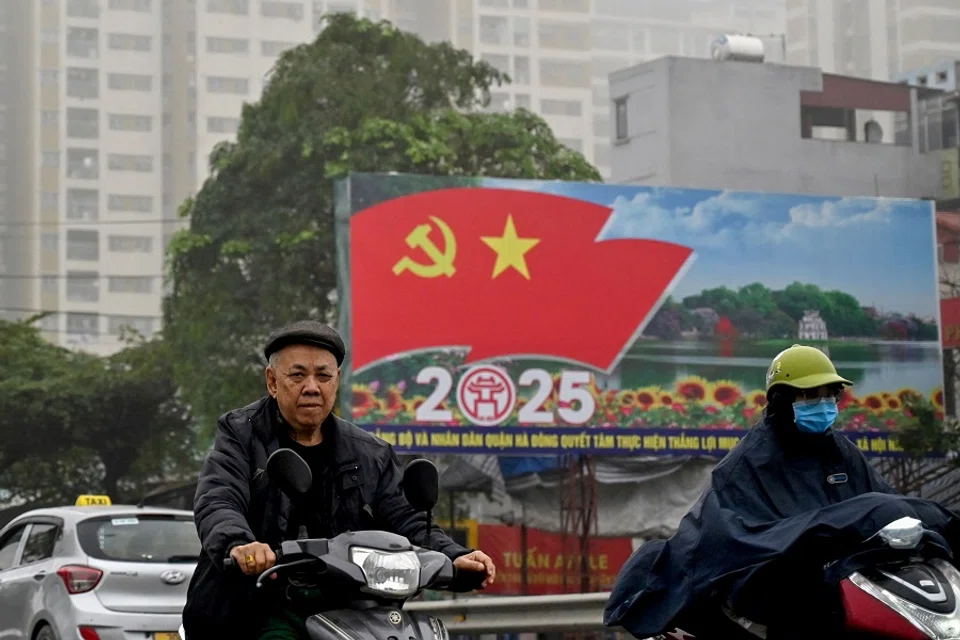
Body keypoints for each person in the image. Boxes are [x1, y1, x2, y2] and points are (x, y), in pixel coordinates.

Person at [182, 320, 496, 640]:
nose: (311, 386)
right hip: (257, 605)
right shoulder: (241, 434)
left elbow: (406, 517)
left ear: (337, 381)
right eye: (297, 374)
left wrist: (455, 555)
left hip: (350, 609)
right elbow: (219, 498)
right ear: (272, 382)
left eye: (323, 375)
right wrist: (239, 544)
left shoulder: (369, 452)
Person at [604, 344, 899, 639]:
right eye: (810, 395)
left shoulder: (841, 452)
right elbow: (730, 538)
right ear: (782, 400)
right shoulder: (750, 463)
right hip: (786, 601)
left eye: (830, 394)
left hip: (854, 588)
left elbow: (886, 504)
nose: (823, 404)